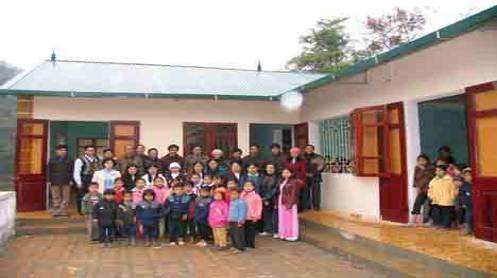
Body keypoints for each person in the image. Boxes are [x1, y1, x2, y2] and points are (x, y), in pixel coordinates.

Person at [428, 164, 458, 229]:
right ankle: (438, 224)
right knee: (436, 213)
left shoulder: (450, 180)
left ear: (444, 171)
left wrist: (452, 197)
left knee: (447, 215)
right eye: (437, 170)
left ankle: (446, 226)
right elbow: (430, 190)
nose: (438, 172)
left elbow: (453, 190)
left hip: (447, 201)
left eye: (440, 170)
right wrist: (431, 196)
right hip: (436, 201)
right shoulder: (433, 180)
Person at [47, 144, 73, 217]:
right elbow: (49, 170)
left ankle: (64, 211)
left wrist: (71, 180)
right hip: (54, 180)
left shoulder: (70, 159)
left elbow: (72, 170)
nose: (63, 152)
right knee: (55, 196)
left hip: (66, 180)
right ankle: (56, 211)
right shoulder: (52, 159)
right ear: (57, 151)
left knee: (66, 196)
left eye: (65, 150)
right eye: (61, 150)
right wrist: (49, 180)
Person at [74, 146, 101, 214]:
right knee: (82, 195)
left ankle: (93, 209)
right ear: (85, 151)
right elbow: (76, 171)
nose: (91, 152)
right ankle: (81, 211)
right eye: (89, 150)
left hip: (94, 178)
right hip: (84, 178)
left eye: (92, 150)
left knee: (94, 194)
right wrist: (78, 182)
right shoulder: (80, 160)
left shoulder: (97, 159)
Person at [278, 168, 303, 241]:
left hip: (289, 203)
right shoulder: (283, 181)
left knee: (290, 219)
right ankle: (284, 234)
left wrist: (290, 204)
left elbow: (294, 194)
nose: (285, 174)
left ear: (291, 173)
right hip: (282, 201)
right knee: (283, 219)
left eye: (287, 172)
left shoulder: (294, 182)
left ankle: (292, 235)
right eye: (284, 172)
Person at [410, 154, 436, 225]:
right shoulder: (417, 168)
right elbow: (416, 178)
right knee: (417, 203)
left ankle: (427, 219)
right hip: (421, 189)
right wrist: (417, 187)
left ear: (427, 161)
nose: (421, 162)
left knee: (429, 204)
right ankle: (415, 219)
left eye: (423, 160)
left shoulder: (431, 168)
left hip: (430, 189)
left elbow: (429, 177)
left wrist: (423, 170)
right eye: (419, 161)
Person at [240, 181, 262, 248]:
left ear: (253, 187)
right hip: (243, 217)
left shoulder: (256, 196)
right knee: (244, 231)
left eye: (250, 186)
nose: (248, 187)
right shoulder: (242, 195)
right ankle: (244, 243)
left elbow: (259, 207)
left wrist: (257, 216)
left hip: (252, 217)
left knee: (251, 232)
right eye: (246, 186)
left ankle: (250, 244)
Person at [303, 144, 325, 210]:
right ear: (305, 150)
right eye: (307, 149)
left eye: (310, 149)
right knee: (305, 193)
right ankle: (306, 207)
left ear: (313, 149)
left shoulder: (318, 157)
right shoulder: (302, 157)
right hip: (305, 177)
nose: (308, 150)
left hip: (315, 177)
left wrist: (314, 173)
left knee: (316, 193)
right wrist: (305, 174)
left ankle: (316, 207)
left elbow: (321, 166)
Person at [260, 163, 278, 235]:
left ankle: (275, 231)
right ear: (266, 169)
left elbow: (276, 189)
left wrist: (267, 198)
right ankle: (267, 230)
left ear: (274, 169)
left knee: (274, 216)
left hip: (273, 198)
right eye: (268, 168)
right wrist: (264, 199)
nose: (270, 169)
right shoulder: (263, 177)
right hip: (264, 199)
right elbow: (261, 188)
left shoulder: (277, 177)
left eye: (271, 168)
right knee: (266, 215)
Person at [228, 188, 248, 253]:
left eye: (234, 194)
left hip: (238, 221)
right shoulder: (231, 201)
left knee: (238, 235)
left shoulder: (241, 202)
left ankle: (240, 247)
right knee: (232, 234)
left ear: (239, 194)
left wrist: (241, 221)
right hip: (231, 220)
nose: (233, 195)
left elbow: (242, 212)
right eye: (231, 194)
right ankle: (234, 245)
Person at [287, 147, 307, 211]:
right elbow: (286, 169)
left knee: (298, 195)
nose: (294, 154)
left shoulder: (302, 161)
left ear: (298, 154)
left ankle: (299, 208)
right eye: (292, 153)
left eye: (295, 153)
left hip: (298, 180)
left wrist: (293, 175)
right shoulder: (288, 160)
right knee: (291, 194)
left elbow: (303, 171)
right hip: (289, 180)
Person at [460, 168, 473, 235]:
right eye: (465, 175)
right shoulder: (464, 185)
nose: (466, 177)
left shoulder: (477, 184)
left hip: (476, 205)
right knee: (468, 216)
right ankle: (468, 228)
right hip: (468, 204)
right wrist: (463, 203)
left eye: (468, 175)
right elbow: (461, 194)